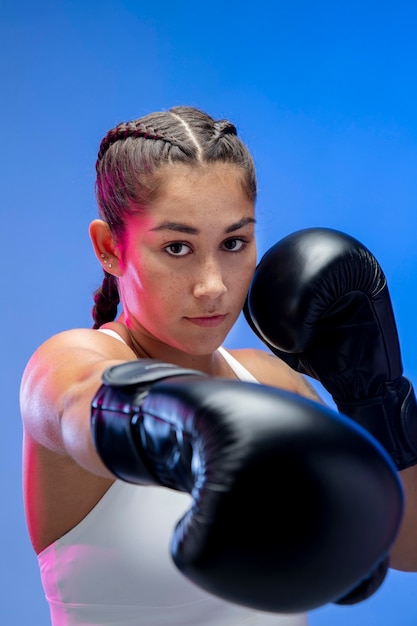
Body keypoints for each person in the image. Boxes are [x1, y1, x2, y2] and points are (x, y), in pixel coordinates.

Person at [18, 105, 407, 626]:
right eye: (177, 247)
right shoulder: (67, 364)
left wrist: (374, 393)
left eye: (233, 243)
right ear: (110, 248)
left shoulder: (271, 383)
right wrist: (194, 432)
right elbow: (78, 402)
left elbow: (405, 550)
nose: (213, 285)